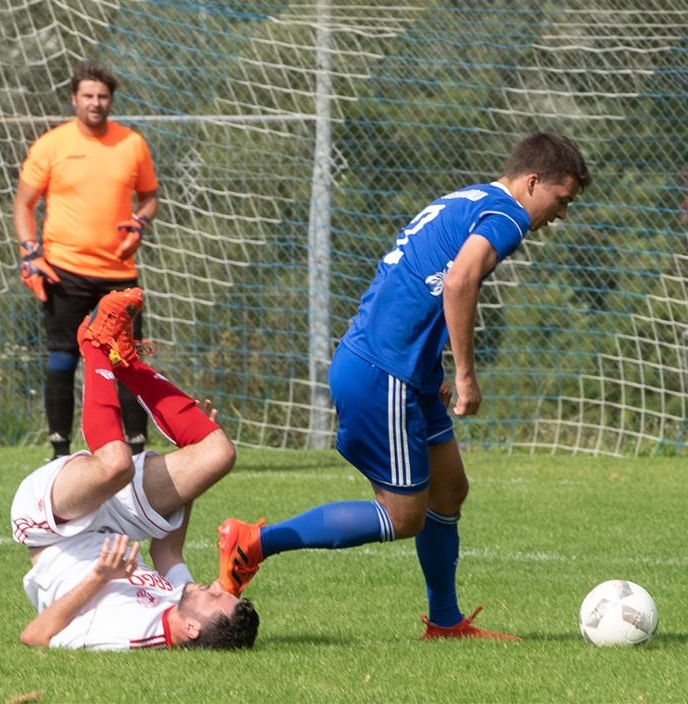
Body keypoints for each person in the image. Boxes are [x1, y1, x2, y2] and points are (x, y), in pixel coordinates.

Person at [217, 132, 591, 640]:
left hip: (400, 371)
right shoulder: (507, 216)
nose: (561, 213)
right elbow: (459, 282)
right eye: (561, 199)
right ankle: (255, 542)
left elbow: (417, 284)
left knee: (451, 488)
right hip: (382, 372)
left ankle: (444, 622)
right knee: (403, 515)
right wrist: (464, 375)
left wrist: (430, 369)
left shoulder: (466, 199)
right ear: (532, 182)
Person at [12, 287, 259, 650]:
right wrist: (190, 461)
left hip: (54, 529)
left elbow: (34, 636)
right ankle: (124, 360)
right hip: (113, 521)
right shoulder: (180, 601)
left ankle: (94, 343)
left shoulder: (130, 634)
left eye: (218, 598)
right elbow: (167, 552)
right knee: (217, 454)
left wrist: (100, 576)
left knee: (116, 464)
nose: (219, 587)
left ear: (192, 629)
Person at [13, 61, 160, 460]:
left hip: (119, 275)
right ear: (74, 99)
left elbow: (149, 197)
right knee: (62, 357)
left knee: (126, 361)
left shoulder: (132, 144)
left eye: (103, 96)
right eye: (88, 96)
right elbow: (24, 205)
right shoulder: (50, 145)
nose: (96, 103)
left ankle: (137, 451)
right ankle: (59, 452)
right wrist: (30, 254)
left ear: (111, 101)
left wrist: (139, 222)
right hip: (63, 271)